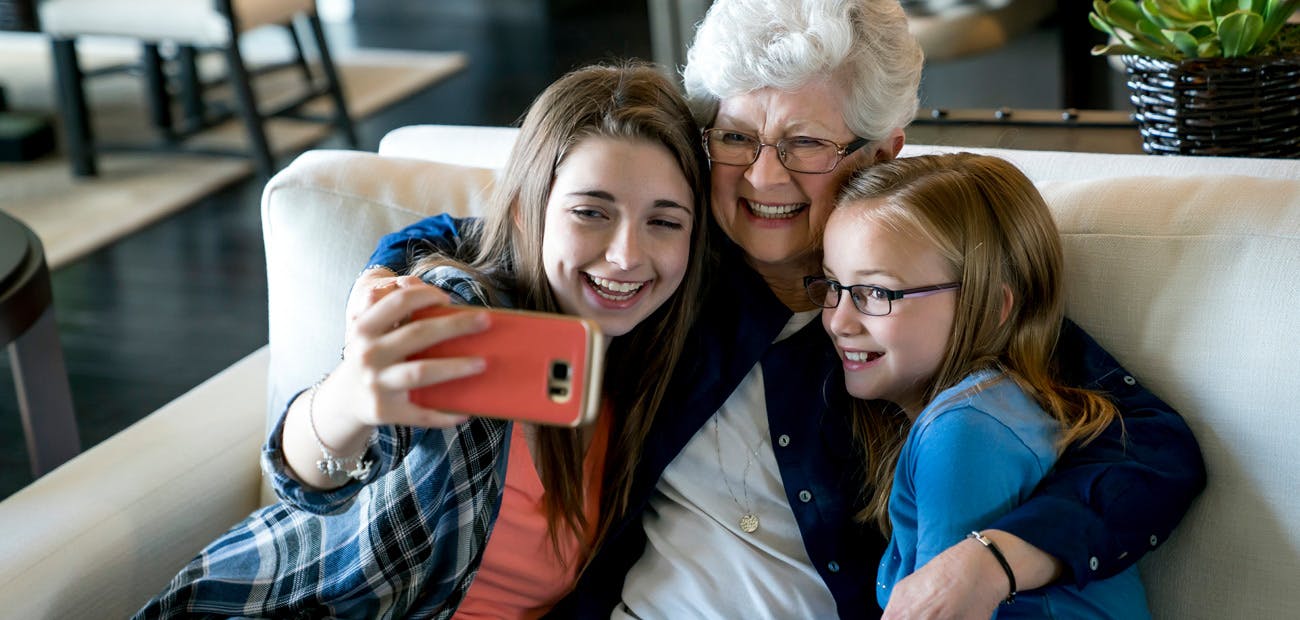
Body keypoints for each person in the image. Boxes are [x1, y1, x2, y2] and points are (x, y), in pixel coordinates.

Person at [354, 0, 1206, 617]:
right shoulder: (659, 263)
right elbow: (493, 232)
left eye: (805, 144)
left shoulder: (929, 300)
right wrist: (391, 279)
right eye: (737, 137)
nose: (764, 178)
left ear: (881, 152)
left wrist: (994, 562)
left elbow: (1156, 449)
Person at [134, 62, 712, 618]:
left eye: (664, 222)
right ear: (522, 213)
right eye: (591, 212)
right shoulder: (458, 309)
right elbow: (303, 479)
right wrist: (351, 397)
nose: (627, 255)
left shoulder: (661, 368)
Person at [813, 153, 1150, 617]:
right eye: (833, 286)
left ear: (991, 306)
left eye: (876, 293)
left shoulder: (965, 429)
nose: (838, 321)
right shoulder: (999, 409)